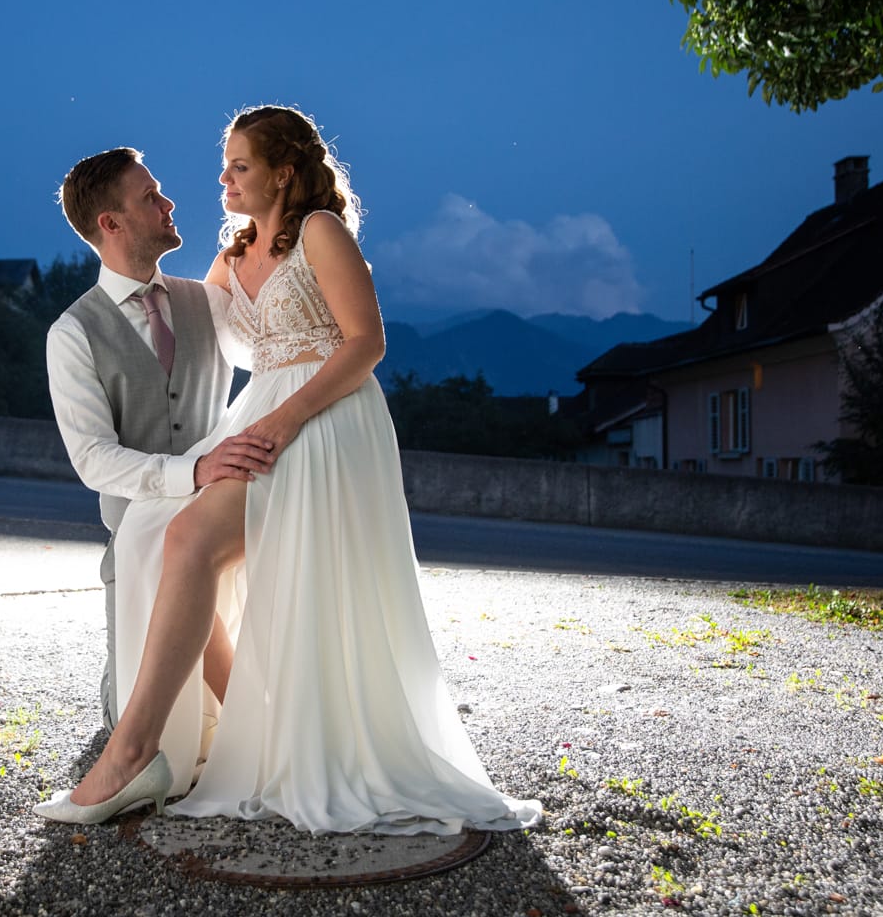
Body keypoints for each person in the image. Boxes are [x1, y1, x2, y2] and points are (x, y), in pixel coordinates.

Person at [36, 107, 542, 835]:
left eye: (238, 165)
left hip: (323, 417)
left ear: (282, 171)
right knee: (166, 536)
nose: (220, 178)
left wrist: (282, 417)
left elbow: (365, 343)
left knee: (188, 542)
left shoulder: (320, 232)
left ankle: (132, 752)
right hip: (264, 419)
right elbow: (205, 327)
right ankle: (253, 726)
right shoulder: (228, 257)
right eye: (225, 164)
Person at [46, 147, 277, 740]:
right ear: (111, 223)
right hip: (138, 546)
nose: (169, 202)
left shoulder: (209, 301)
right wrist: (195, 471)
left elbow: (275, 357)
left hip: (223, 536)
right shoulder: (72, 332)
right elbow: (93, 459)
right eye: (150, 196)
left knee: (241, 714)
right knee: (129, 722)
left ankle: (272, 736)